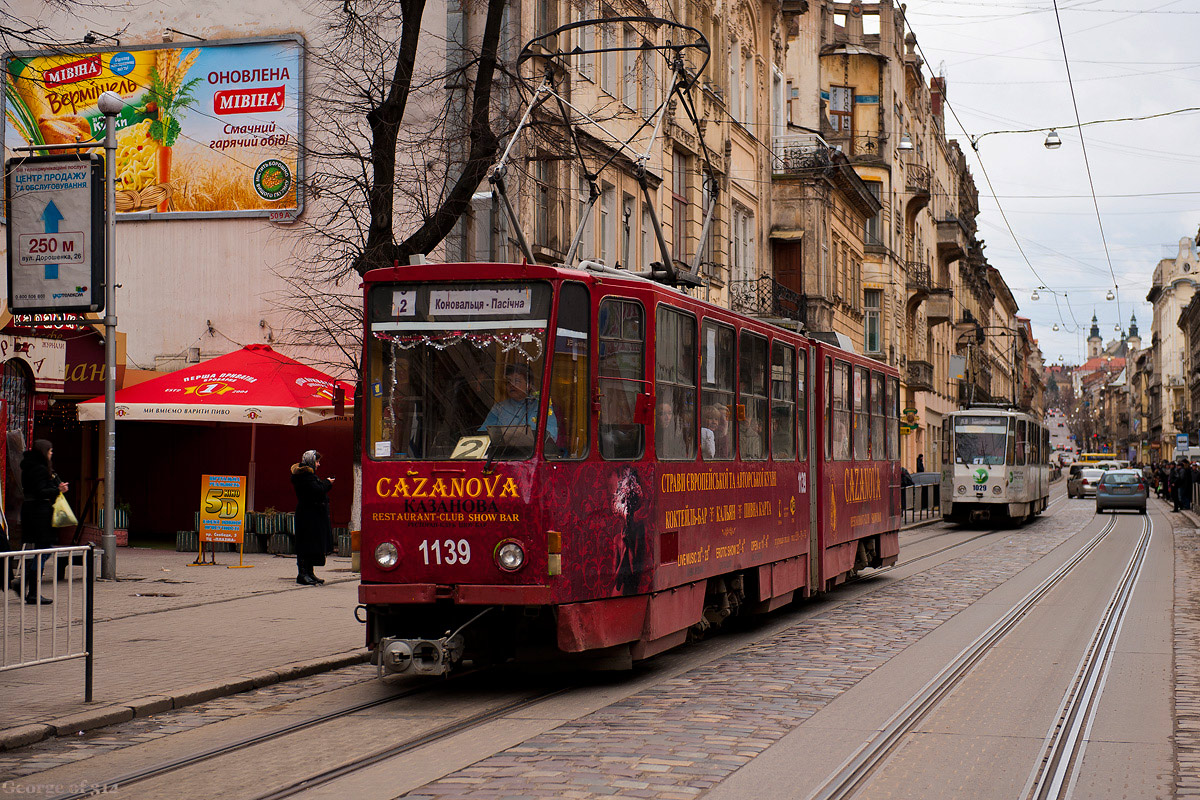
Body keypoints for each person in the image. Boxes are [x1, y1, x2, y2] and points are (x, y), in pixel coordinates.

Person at [12, 440, 66, 605]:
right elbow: (41, 491)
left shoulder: (30, 467)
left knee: (41, 550)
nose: (52, 454)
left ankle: (26, 586)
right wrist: (57, 490)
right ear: (44, 452)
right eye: (50, 451)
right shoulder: (40, 469)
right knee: (44, 550)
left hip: (31, 511)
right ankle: (28, 587)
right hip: (39, 513)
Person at [479, 363, 557, 442]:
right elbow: (482, 435)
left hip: (530, 453)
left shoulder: (541, 405)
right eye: (509, 382)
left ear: (529, 385)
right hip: (502, 452)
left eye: (517, 381)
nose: (511, 385)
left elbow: (550, 436)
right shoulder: (499, 407)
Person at [290, 450, 335, 586]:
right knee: (305, 544)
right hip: (307, 516)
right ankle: (302, 574)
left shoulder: (307, 476)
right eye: (317, 461)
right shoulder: (304, 477)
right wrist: (327, 483)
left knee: (312, 544)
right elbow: (316, 490)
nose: (318, 464)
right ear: (310, 461)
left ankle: (310, 573)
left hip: (312, 515)